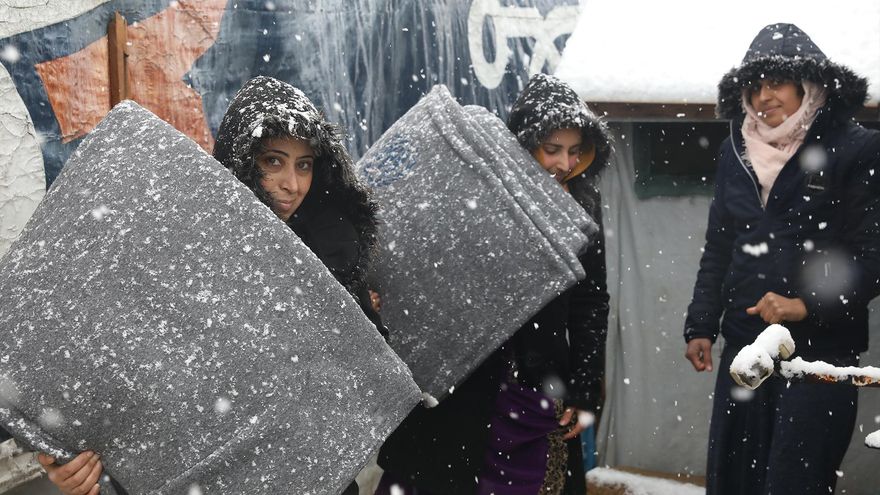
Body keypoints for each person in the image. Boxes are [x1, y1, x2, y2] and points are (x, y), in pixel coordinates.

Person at [39, 76, 386, 495]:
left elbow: (353, 397)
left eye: (304, 164)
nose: (292, 184)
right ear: (240, 159)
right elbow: (134, 395)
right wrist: (76, 464)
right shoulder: (178, 261)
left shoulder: (333, 257)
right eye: (273, 161)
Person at [376, 73, 610, 495]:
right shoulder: (483, 194)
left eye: (576, 151)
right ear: (522, 145)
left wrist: (586, 384)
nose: (565, 163)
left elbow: (591, 302)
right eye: (551, 149)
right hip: (469, 382)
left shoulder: (582, 206)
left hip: (539, 385)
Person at [683, 23, 880, 495]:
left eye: (776, 83)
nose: (763, 96)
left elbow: (872, 255)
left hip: (819, 353)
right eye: (754, 85)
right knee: (735, 481)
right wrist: (702, 324)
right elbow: (720, 246)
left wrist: (806, 303)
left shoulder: (855, 147)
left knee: (797, 483)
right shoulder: (737, 152)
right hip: (746, 349)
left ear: (807, 84)